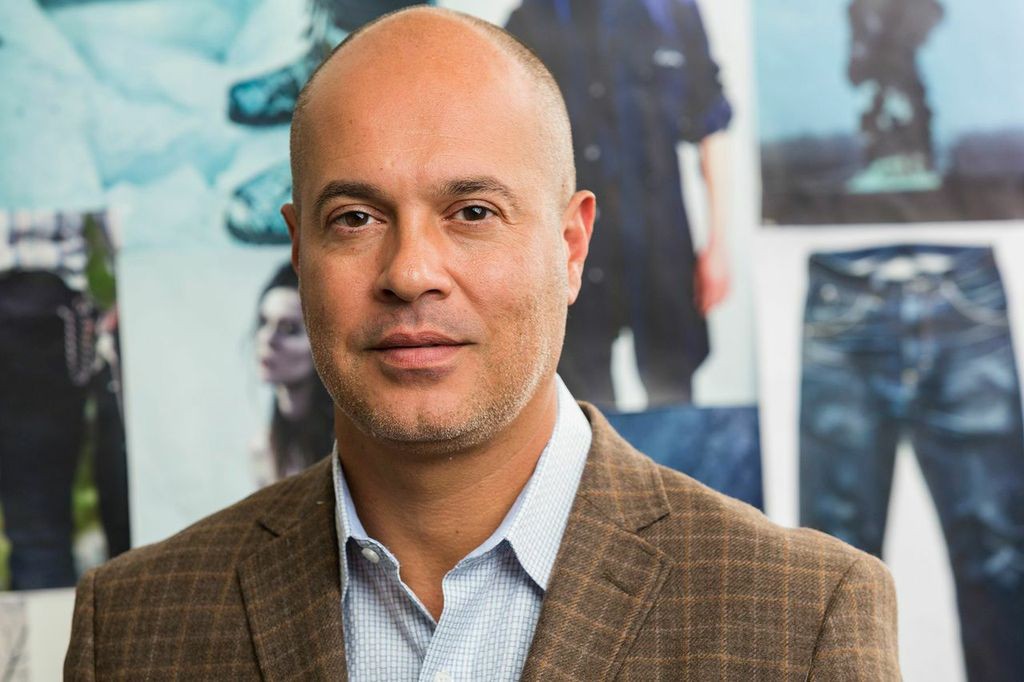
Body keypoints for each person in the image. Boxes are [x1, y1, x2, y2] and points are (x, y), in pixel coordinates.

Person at [65, 7, 900, 679]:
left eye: (473, 212)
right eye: (354, 218)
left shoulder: (803, 618)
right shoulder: (132, 627)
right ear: (298, 252)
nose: (410, 273)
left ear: (570, 248)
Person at [506, 0, 733, 408]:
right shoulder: (532, 18)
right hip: (575, 251)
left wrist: (718, 244)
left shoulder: (672, 11)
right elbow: (512, 156)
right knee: (582, 402)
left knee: (673, 393)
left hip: (662, 243)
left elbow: (709, 124)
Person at [251, 262, 334, 487]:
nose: (267, 339)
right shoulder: (264, 450)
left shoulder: (354, 449)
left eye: (289, 329)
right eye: (263, 322)